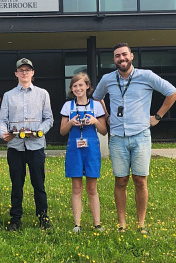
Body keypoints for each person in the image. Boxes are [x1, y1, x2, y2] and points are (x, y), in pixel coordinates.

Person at [93, 42, 176, 234]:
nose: (121, 58)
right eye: (117, 56)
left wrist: (157, 117)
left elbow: (172, 93)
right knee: (120, 181)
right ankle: (122, 223)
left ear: (131, 56)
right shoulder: (108, 79)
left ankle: (141, 224)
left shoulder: (146, 76)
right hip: (117, 138)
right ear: (114, 59)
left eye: (124, 54)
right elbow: (97, 97)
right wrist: (106, 115)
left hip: (140, 136)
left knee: (140, 181)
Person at [0, 58, 54, 231]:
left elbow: (49, 118)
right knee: (16, 184)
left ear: (32, 73)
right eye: (21, 70)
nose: (24, 73)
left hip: (36, 145)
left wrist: (40, 131)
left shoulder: (42, 94)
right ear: (16, 74)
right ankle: (15, 219)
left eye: (27, 70)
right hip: (15, 146)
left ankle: (43, 217)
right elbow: (2, 121)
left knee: (39, 183)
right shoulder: (8, 96)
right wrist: (3, 134)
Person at [60, 72, 107, 234]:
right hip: (74, 148)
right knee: (76, 187)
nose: (78, 88)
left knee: (92, 187)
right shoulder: (68, 106)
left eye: (81, 85)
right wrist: (71, 123)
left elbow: (103, 131)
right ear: (71, 89)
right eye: (74, 86)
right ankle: (77, 224)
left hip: (91, 148)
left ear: (87, 86)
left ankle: (97, 223)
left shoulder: (97, 105)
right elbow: (62, 131)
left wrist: (94, 121)